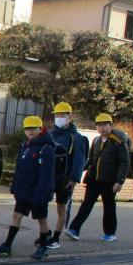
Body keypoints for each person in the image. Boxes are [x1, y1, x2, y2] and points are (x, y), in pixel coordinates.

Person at [0, 116, 55, 260]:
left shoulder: (47, 148)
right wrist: (14, 186)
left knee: (41, 219)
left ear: (40, 129)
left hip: (39, 192)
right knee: (16, 216)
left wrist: (40, 196)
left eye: (33, 128)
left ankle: (43, 246)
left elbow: (47, 175)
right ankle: (7, 245)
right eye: (27, 129)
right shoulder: (25, 145)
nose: (30, 132)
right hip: (24, 190)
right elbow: (19, 169)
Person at [66, 113, 130, 242]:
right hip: (93, 179)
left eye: (105, 125)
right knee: (86, 205)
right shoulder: (96, 141)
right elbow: (90, 160)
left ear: (111, 125)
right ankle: (74, 229)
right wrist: (76, 172)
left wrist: (120, 181)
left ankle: (110, 233)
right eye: (99, 125)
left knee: (109, 207)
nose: (101, 128)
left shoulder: (119, 141)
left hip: (109, 181)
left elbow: (125, 162)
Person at [47, 102, 87, 249]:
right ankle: (45, 233)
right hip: (50, 176)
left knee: (61, 208)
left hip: (65, 179)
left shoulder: (76, 137)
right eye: (57, 115)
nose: (58, 118)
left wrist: (74, 179)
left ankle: (56, 238)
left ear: (70, 117)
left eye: (62, 115)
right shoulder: (51, 135)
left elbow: (79, 160)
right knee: (40, 205)